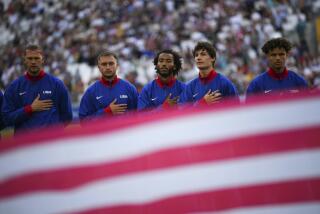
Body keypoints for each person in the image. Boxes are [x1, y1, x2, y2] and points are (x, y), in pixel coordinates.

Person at [2, 45, 73, 133]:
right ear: (24, 60)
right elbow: (6, 118)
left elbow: (67, 116)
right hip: (25, 144)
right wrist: (29, 109)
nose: (33, 62)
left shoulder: (57, 85)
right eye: (30, 58)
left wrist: (53, 132)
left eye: (36, 58)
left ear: (42, 60)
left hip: (51, 143)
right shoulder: (14, 87)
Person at [79, 51, 138, 121]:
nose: (108, 67)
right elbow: (83, 120)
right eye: (104, 64)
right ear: (99, 67)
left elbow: (138, 114)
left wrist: (123, 116)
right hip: (103, 132)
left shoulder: (129, 88)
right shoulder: (91, 92)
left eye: (111, 63)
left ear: (117, 66)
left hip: (125, 131)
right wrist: (106, 112)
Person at [180, 41, 238, 105]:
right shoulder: (189, 87)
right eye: (196, 55)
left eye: (203, 54)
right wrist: (202, 103)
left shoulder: (225, 84)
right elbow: (183, 112)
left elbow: (237, 110)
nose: (198, 58)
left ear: (212, 58)